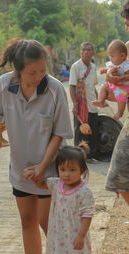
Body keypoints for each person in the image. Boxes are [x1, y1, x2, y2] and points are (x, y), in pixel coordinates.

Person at [0, 38, 73, 254]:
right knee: (27, 222)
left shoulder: (55, 89)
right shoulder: (3, 86)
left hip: (50, 171)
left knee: (49, 226)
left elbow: (59, 134)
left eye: (42, 70)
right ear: (17, 70)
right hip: (21, 171)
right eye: (32, 72)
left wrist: (42, 168)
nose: (39, 76)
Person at [24, 143, 94, 254]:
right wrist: (32, 176)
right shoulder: (56, 184)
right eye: (62, 169)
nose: (66, 174)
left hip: (75, 235)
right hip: (58, 236)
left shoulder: (84, 192)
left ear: (82, 170)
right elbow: (41, 184)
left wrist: (81, 236)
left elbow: (87, 215)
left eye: (72, 170)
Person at [105, 1, 129, 205]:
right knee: (118, 175)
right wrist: (112, 78)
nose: (127, 28)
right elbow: (116, 87)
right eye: (126, 24)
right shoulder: (126, 49)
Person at [69, 42, 99, 163]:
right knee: (80, 131)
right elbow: (72, 86)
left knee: (93, 132)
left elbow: (93, 86)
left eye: (89, 50)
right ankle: (80, 157)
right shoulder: (75, 67)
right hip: (81, 106)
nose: (86, 52)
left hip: (92, 104)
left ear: (92, 53)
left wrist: (99, 100)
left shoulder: (93, 67)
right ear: (80, 52)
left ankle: (91, 156)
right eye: (84, 50)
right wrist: (75, 104)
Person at [92, 39, 129, 120]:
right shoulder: (113, 63)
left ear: (122, 56)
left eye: (112, 56)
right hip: (114, 85)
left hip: (123, 87)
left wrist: (121, 78)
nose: (110, 58)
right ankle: (101, 100)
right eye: (109, 56)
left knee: (120, 95)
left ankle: (120, 111)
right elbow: (108, 70)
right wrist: (105, 70)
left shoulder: (125, 65)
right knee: (103, 86)